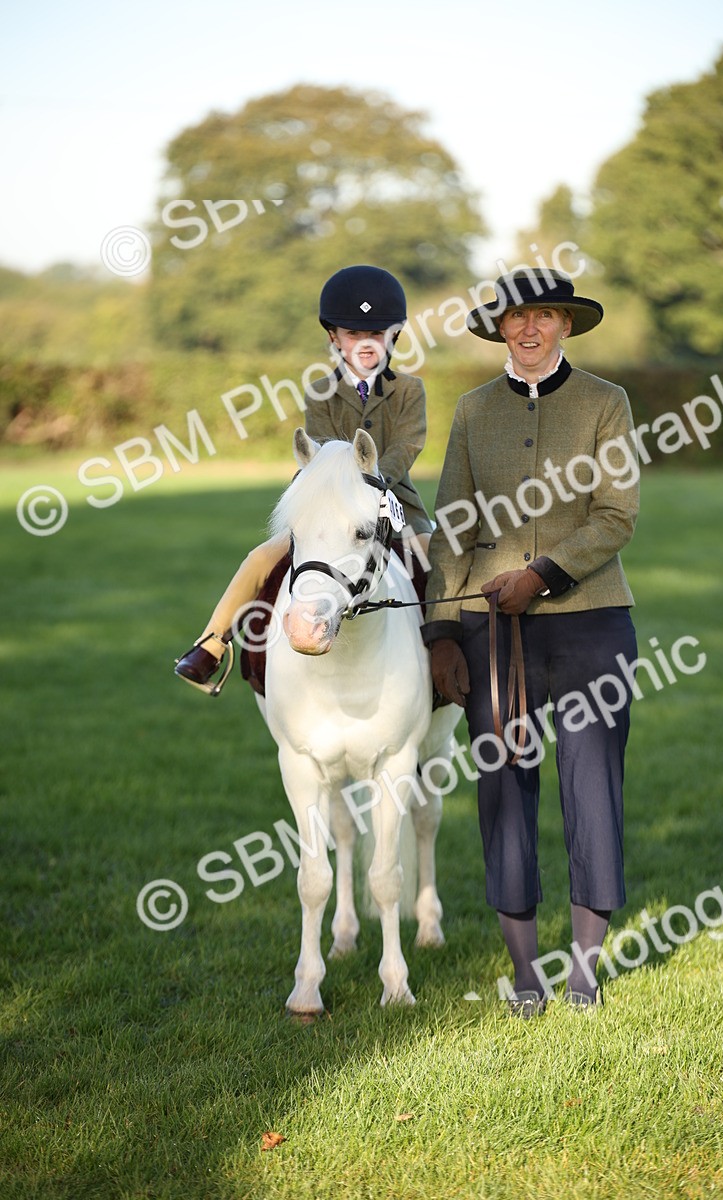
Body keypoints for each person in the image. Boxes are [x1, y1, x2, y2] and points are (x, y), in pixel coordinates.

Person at [423, 268, 639, 1016]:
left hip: (590, 622)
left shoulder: (607, 403)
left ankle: (585, 968)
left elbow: (615, 515)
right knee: (503, 789)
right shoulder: (473, 410)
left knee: (592, 786)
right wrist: (442, 631)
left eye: (544, 315)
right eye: (517, 318)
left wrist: (543, 574)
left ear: (567, 325)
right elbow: (451, 524)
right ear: (501, 329)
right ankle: (524, 971)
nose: (529, 329)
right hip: (489, 628)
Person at [175, 264, 432, 694]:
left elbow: (408, 445)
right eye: (352, 334)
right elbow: (316, 449)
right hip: (329, 506)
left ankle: (459, 651)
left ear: (394, 337)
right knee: (261, 558)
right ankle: (212, 643)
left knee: (442, 556)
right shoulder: (320, 392)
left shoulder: (410, 390)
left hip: (392, 500)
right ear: (334, 338)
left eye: (376, 334)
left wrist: (374, 481)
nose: (364, 343)